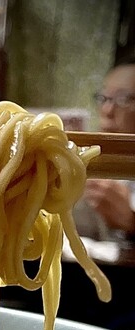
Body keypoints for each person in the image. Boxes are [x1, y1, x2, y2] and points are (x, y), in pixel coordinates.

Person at [74, 57, 135, 239]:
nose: (107, 110)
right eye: (103, 98)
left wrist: (131, 222)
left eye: (123, 99)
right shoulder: (84, 158)